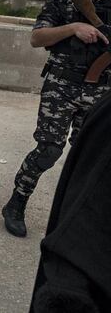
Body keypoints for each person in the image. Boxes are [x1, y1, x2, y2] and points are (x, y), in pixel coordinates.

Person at [2, 0, 111, 238]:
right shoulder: (63, 1)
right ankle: (16, 203)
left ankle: (77, 220)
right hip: (61, 86)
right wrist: (74, 28)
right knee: (48, 150)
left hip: (100, 91)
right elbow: (37, 38)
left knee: (89, 158)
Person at [30, 90, 111, 312]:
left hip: (94, 89)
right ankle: (18, 199)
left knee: (81, 158)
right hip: (63, 83)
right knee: (49, 150)